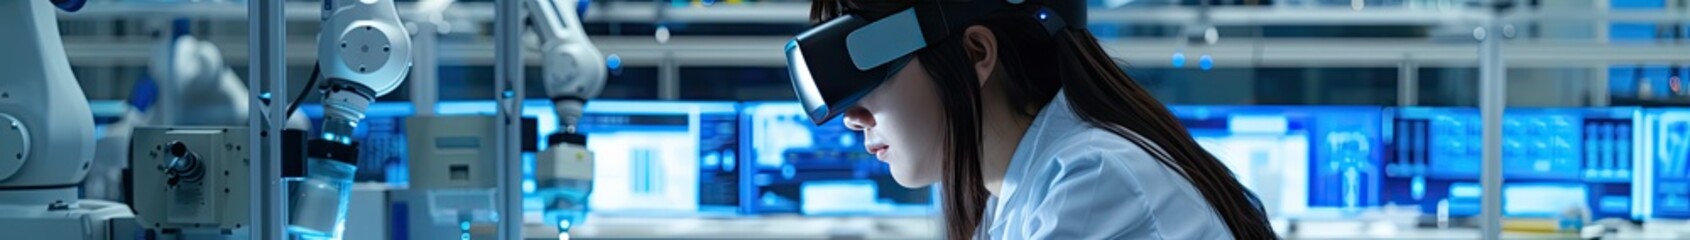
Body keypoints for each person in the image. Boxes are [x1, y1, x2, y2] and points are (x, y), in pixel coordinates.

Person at [786, 0, 1277, 239]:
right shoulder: (1005, 199)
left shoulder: (1093, 179)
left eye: (875, 77)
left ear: (977, 53)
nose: (852, 116)